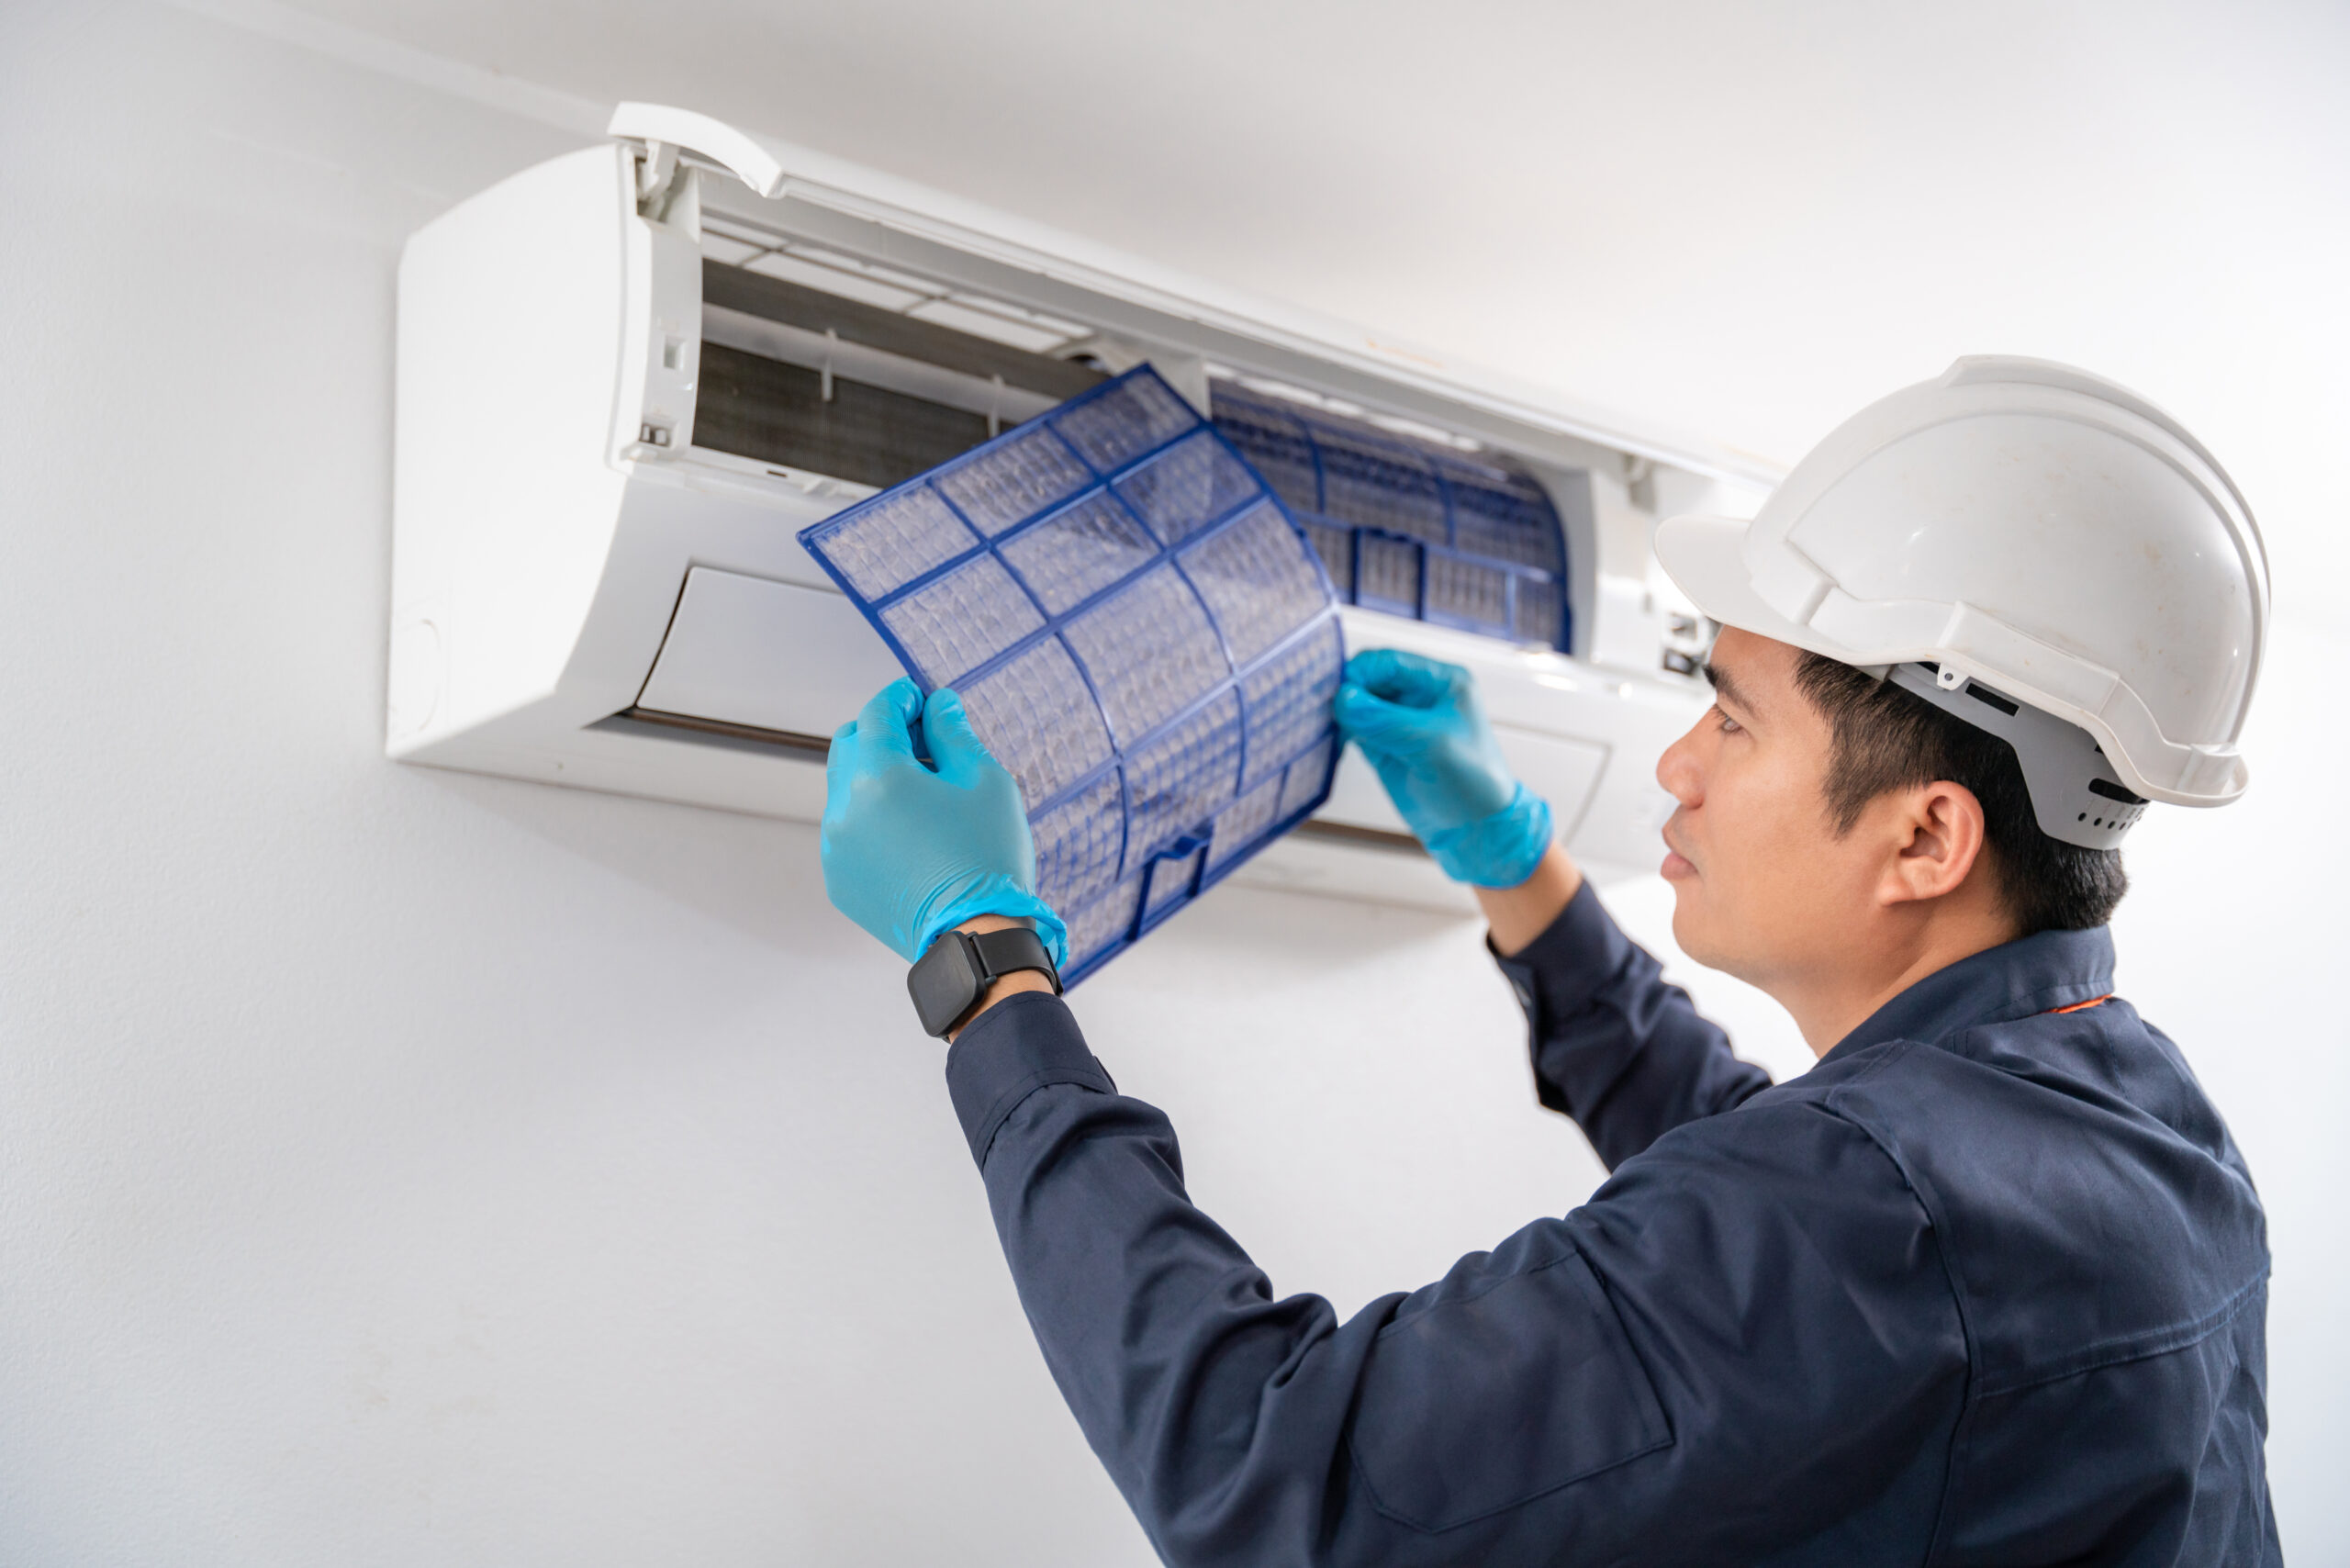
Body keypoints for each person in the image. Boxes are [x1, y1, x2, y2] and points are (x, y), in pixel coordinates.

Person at [818, 358, 2277, 1564]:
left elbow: (1270, 1478)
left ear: (1926, 838)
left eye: (1734, 719)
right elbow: (1785, 1203)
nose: (1679, 763)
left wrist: (981, 962)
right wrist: (1518, 864)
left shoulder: (1871, 1216)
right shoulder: (2137, 1111)